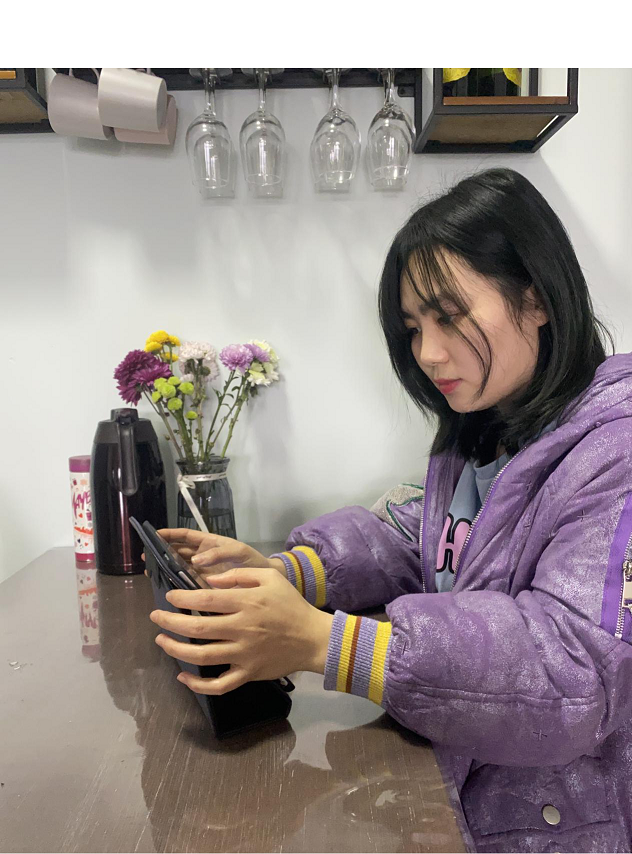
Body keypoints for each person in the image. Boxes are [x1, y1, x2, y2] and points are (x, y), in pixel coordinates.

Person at [148, 167, 632, 853]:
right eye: (412, 328)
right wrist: (290, 573)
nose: (428, 353)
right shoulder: (486, 435)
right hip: (457, 788)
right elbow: (416, 538)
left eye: (450, 316)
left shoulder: (616, 454)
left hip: (555, 826)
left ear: (536, 298)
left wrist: (325, 643)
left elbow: (571, 673)